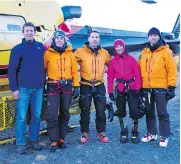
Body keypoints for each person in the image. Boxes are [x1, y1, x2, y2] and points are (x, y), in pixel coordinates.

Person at [8, 22, 45, 154]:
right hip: (23, 88)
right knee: (21, 117)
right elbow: (12, 69)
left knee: (36, 116)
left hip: (38, 88)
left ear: (35, 32)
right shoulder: (17, 49)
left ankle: (34, 140)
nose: (29, 32)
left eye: (31, 30)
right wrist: (14, 89)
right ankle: (21, 143)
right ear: (23, 32)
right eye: (27, 30)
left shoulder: (40, 47)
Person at [139, 27, 177, 147]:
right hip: (146, 88)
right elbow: (139, 69)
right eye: (151, 35)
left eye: (155, 35)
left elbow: (172, 70)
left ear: (159, 37)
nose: (153, 37)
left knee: (162, 112)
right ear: (148, 37)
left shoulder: (166, 51)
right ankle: (152, 133)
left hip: (160, 88)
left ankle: (164, 136)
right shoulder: (144, 52)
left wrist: (171, 87)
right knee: (149, 111)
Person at [44, 30, 79, 152]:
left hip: (67, 86)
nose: (59, 40)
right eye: (57, 38)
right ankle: (54, 140)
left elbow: (75, 71)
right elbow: (43, 70)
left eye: (61, 38)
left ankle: (62, 139)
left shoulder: (70, 54)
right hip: (53, 85)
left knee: (64, 113)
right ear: (54, 40)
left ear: (65, 40)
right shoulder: (48, 53)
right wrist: (43, 85)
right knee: (52, 114)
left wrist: (76, 86)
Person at [74, 30, 111, 143]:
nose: (95, 39)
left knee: (101, 110)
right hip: (86, 84)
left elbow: (111, 65)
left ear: (99, 39)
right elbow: (70, 64)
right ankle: (85, 132)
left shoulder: (104, 53)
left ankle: (101, 131)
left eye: (97, 37)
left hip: (99, 84)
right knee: (85, 110)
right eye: (93, 37)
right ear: (88, 39)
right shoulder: (80, 51)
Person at [107, 39, 142, 144]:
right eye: (117, 47)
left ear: (123, 47)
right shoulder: (113, 62)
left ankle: (135, 131)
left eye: (120, 46)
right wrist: (110, 92)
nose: (119, 48)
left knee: (134, 110)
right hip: (120, 88)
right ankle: (124, 131)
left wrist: (138, 88)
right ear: (115, 49)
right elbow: (110, 78)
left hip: (132, 87)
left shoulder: (131, 59)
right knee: (120, 111)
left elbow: (138, 75)